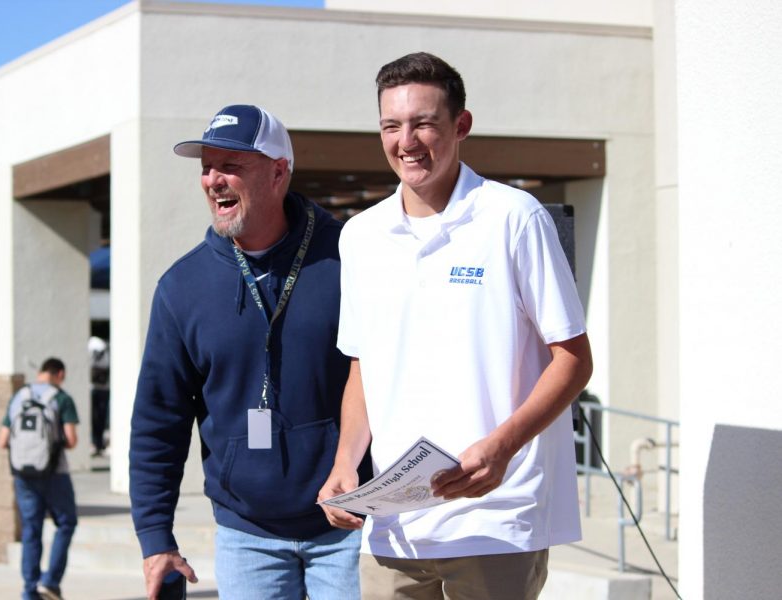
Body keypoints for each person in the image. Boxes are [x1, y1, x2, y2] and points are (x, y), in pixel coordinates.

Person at [318, 52, 594, 600]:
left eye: (423, 123)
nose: (407, 141)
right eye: (391, 126)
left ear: (461, 126)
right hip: (395, 527)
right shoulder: (361, 236)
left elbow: (575, 359)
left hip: (495, 515)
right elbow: (362, 366)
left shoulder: (515, 218)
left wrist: (501, 447)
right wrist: (345, 462)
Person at [129, 104, 370, 600]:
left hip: (351, 525)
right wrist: (156, 539)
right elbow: (159, 421)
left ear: (279, 172)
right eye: (206, 168)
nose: (213, 180)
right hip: (247, 537)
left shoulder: (352, 257)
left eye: (231, 166)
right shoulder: (182, 288)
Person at [0, 357, 79, 600]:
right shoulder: (61, 398)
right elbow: (72, 440)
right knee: (66, 523)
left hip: (23, 474)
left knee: (31, 530)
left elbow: (2, 441)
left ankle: (29, 591)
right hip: (55, 473)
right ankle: (51, 582)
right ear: (60, 374)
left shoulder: (18, 398)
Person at [88, 336, 110, 457]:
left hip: (96, 388)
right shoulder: (104, 349)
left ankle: (97, 443)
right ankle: (97, 443)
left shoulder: (92, 346)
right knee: (99, 418)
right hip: (102, 388)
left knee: (96, 418)